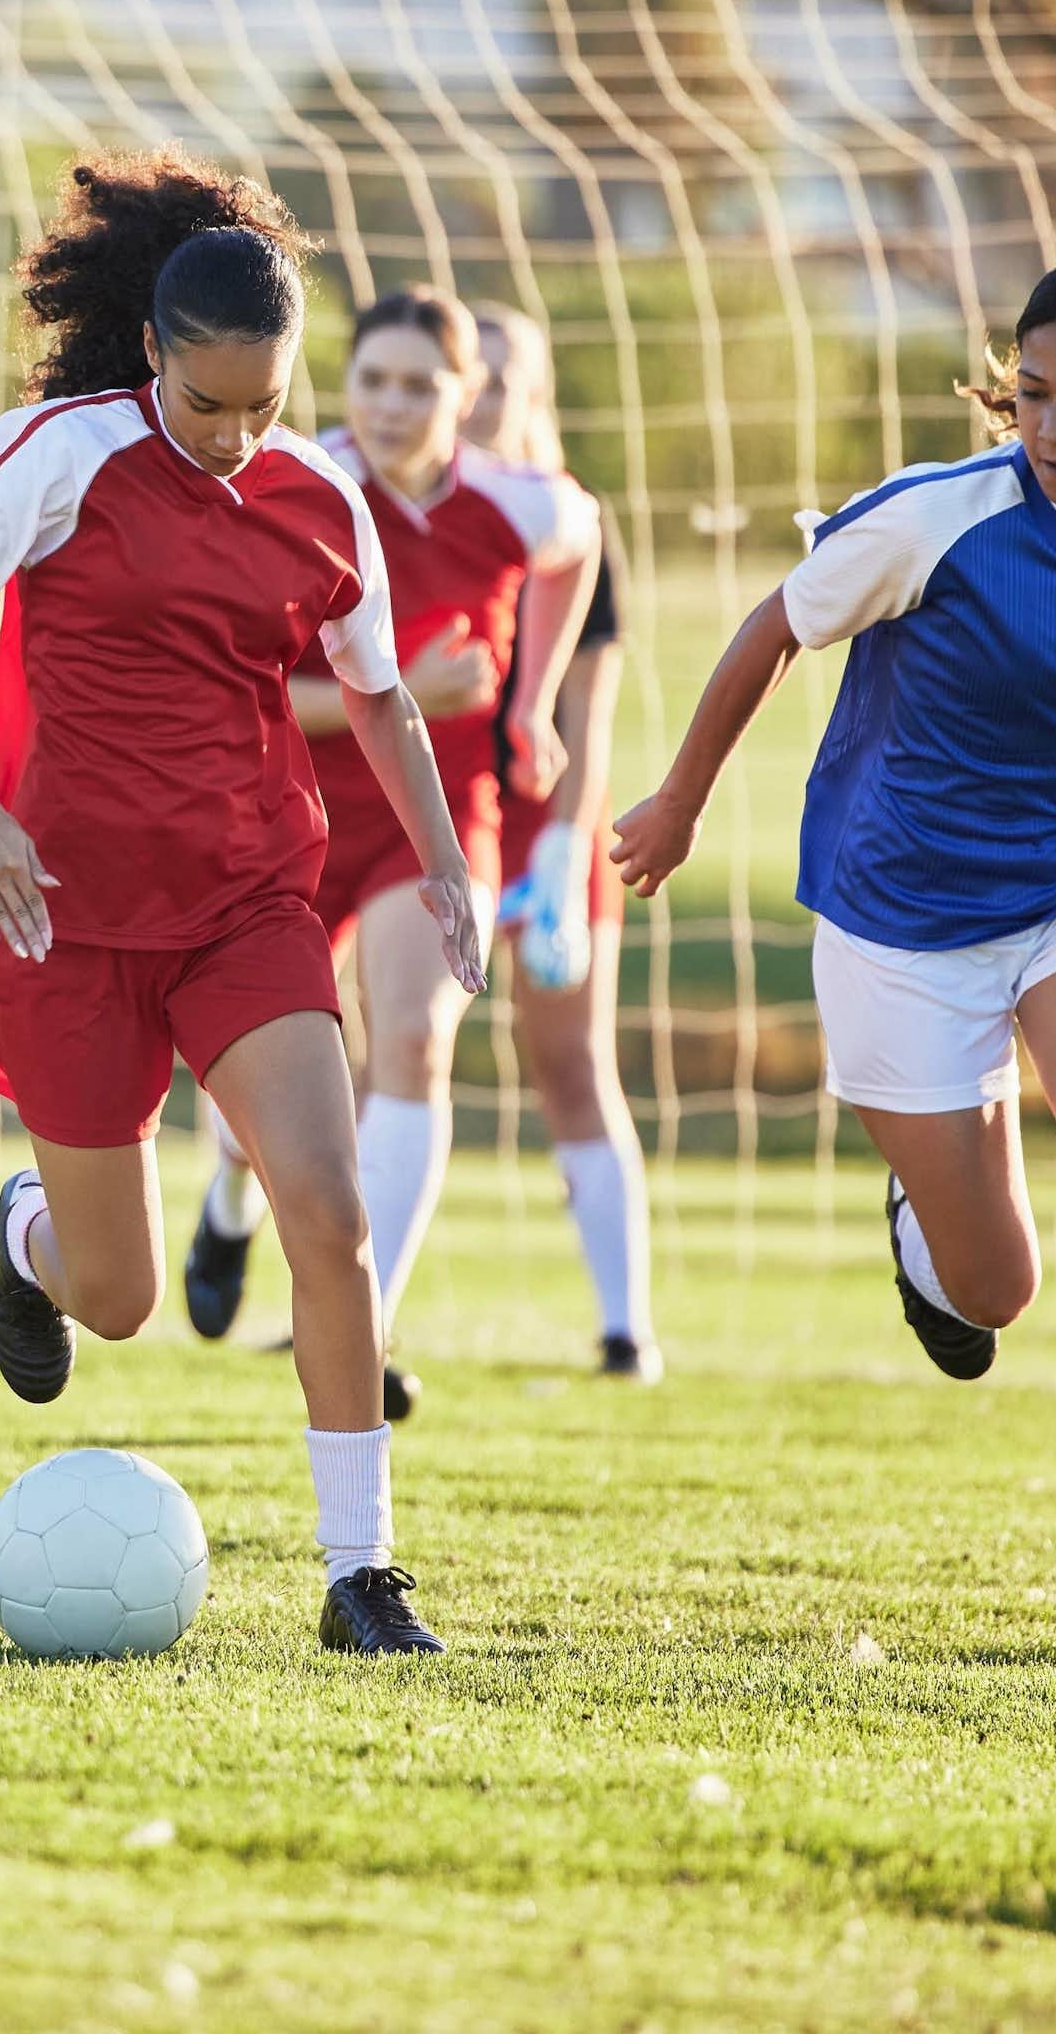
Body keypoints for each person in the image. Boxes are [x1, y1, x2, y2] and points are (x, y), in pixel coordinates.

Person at [612, 247, 1056, 1670]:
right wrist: (679, 801)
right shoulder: (938, 520)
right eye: (1032, 396)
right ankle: (926, 1221)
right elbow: (771, 631)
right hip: (896, 920)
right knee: (993, 1290)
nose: (1053, 427)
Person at [0, 154, 485, 1656]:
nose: (235, 435)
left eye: (265, 404)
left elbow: (383, 701)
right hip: (60, 916)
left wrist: (449, 865)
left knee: (325, 1214)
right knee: (124, 1299)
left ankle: (362, 1576)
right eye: (208, 404)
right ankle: (29, 1240)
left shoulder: (322, 498)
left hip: (244, 904)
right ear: (152, 351)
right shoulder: (58, 455)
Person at [177, 289, 599, 1423]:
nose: (395, 403)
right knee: (256, 1075)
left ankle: (368, 1322)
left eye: (423, 384)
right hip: (289, 807)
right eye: (375, 381)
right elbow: (239, 683)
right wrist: (402, 691)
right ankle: (229, 1191)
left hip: (435, 810)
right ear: (343, 386)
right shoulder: (292, 486)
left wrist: (531, 702)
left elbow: (582, 539)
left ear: (468, 396)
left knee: (411, 1038)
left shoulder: (513, 502)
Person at [466, 305, 663, 1380]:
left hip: (548, 829)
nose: (484, 396)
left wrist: (555, 856)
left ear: (533, 393)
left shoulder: (574, 524)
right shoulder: (399, 513)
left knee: (570, 1062)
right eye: (471, 374)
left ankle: (626, 1327)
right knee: (376, 1059)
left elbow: (588, 726)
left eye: (505, 378)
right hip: (431, 825)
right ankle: (353, 1303)